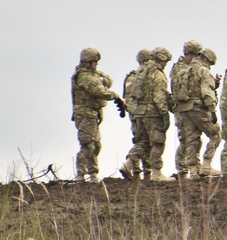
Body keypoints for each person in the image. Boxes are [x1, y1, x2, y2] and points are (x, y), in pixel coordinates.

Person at [71, 47, 124, 182]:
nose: (97, 64)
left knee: (96, 145)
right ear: (88, 62)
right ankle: (81, 174)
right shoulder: (84, 76)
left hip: (93, 114)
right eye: (94, 62)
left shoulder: (93, 74)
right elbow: (99, 91)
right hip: (84, 114)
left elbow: (108, 80)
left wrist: (100, 79)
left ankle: (93, 173)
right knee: (87, 144)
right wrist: (115, 96)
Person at [173, 46, 222, 178]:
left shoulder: (183, 70)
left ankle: (193, 171)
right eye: (210, 63)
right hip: (199, 109)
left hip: (184, 110)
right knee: (216, 134)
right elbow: (207, 92)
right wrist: (212, 110)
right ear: (207, 59)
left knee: (192, 140)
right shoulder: (203, 71)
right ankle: (206, 165)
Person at [129, 47, 176, 181]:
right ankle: (156, 173)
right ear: (161, 59)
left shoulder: (141, 72)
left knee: (143, 142)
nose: (165, 64)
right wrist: (164, 113)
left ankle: (128, 163)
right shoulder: (157, 74)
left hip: (140, 112)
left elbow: (134, 94)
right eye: (165, 61)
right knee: (157, 142)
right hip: (152, 114)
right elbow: (159, 96)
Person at [119, 49, 153, 180]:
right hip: (142, 113)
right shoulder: (143, 76)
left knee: (139, 141)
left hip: (133, 114)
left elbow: (126, 98)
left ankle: (138, 173)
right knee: (146, 142)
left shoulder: (131, 76)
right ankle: (143, 172)